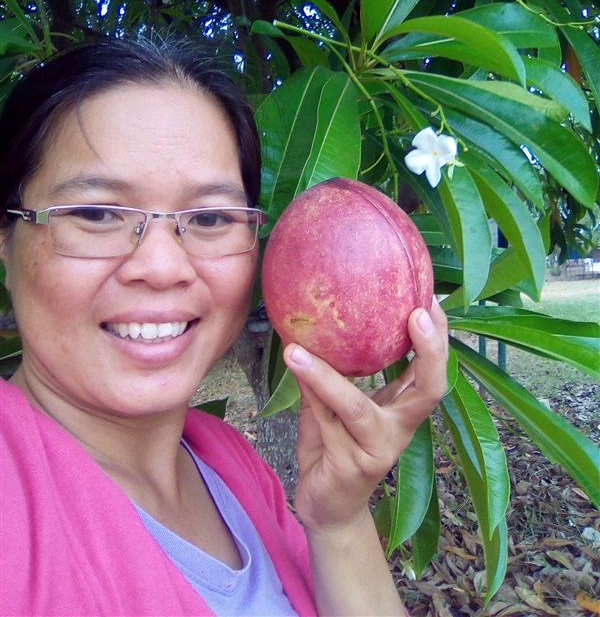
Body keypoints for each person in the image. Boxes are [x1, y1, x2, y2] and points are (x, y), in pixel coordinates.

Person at [0, 36, 448, 617]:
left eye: (210, 217)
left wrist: (338, 520)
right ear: (6, 241)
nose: (161, 268)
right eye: (96, 213)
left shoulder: (232, 466)